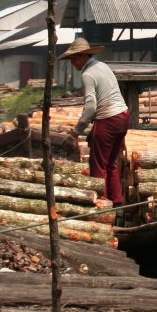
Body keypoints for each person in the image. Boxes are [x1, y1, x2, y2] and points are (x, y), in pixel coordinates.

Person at [59, 38, 130, 208]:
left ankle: (102, 206)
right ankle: (117, 203)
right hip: (123, 116)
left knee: (97, 165)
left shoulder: (88, 74)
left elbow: (90, 107)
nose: (73, 63)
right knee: (110, 163)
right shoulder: (103, 66)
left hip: (109, 118)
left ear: (84, 56)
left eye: (74, 58)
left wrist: (75, 132)